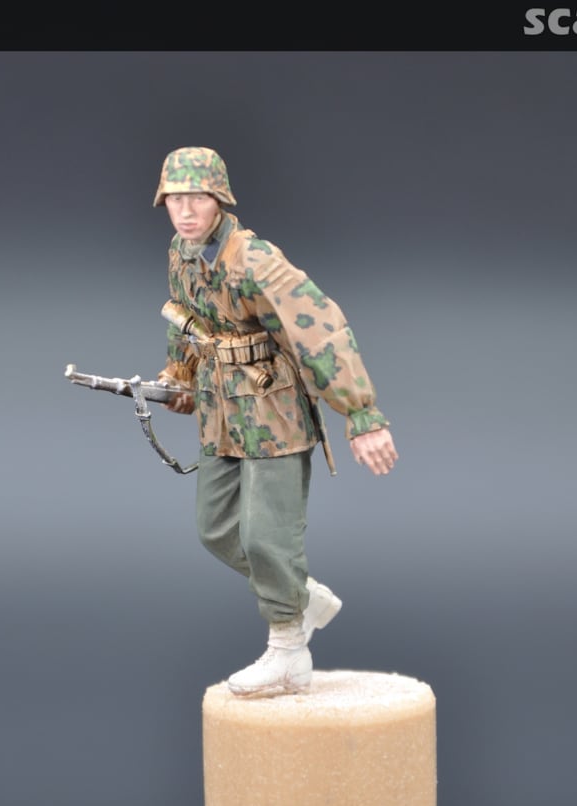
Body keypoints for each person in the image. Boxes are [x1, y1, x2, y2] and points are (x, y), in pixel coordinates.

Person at [153, 146, 398, 697]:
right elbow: (183, 316)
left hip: (272, 409)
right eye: (175, 199)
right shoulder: (182, 252)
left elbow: (320, 327)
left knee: (266, 537)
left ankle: (288, 649)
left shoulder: (254, 259)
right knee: (216, 530)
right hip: (221, 407)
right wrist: (178, 376)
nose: (186, 211)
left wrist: (362, 414)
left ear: (219, 200)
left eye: (197, 198)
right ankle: (301, 596)